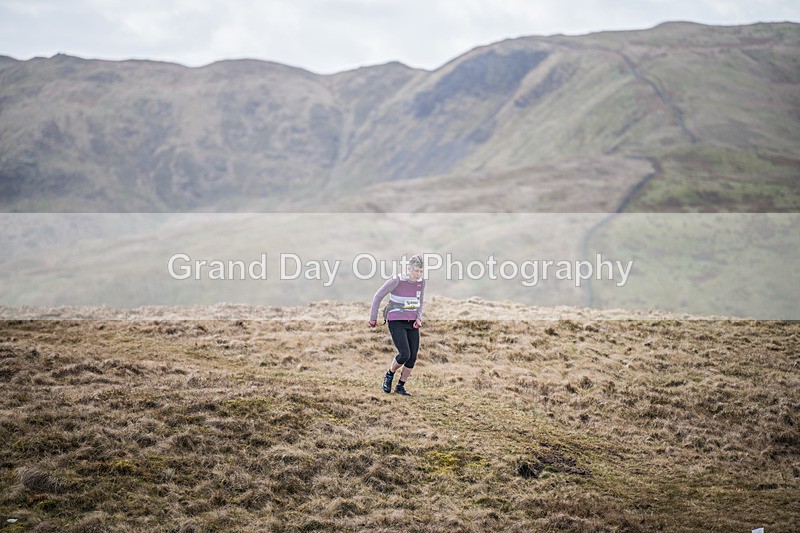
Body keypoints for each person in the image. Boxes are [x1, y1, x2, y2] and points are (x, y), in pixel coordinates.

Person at [369, 254, 425, 396]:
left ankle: (400, 386)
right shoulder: (396, 280)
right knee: (405, 354)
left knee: (412, 357)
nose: (418, 274)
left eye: (420, 271)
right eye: (416, 271)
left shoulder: (421, 282)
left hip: (411, 321)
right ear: (409, 269)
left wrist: (419, 318)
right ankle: (389, 374)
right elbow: (378, 296)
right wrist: (373, 317)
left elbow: (420, 301)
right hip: (396, 320)